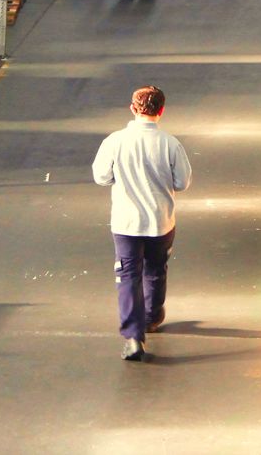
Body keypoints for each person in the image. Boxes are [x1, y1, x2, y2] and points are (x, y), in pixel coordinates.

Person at [93, 85, 193, 362]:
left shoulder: (114, 141)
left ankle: (134, 336)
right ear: (161, 111)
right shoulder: (170, 143)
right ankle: (152, 316)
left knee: (127, 276)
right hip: (161, 221)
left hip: (126, 223)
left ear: (132, 109)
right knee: (156, 269)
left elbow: (101, 176)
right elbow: (182, 182)